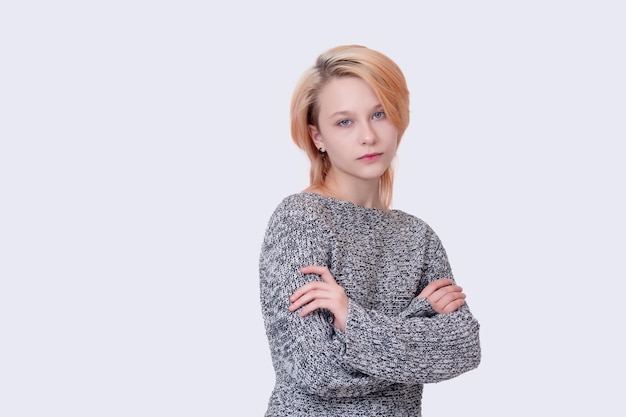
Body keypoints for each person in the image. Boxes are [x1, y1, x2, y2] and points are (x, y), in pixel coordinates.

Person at [258, 44, 481, 416]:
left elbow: (463, 348)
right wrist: (418, 320)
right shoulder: (300, 220)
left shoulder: (418, 237)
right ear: (318, 137)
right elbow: (317, 371)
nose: (368, 136)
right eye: (345, 121)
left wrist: (351, 319)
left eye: (378, 114)